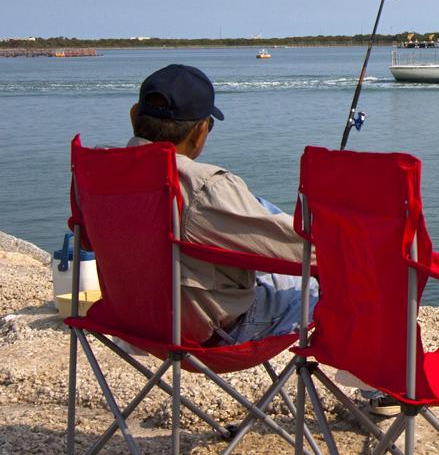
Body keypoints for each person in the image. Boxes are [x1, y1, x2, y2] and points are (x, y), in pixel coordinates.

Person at [126, 63, 315, 346]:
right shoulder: (204, 187)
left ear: (134, 116)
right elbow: (305, 254)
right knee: (325, 283)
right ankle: (378, 384)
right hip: (206, 330)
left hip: (132, 319)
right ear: (200, 131)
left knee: (258, 208)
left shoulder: (97, 173)